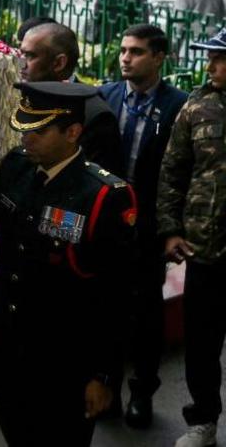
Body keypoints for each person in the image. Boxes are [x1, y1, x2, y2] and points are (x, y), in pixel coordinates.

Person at [0, 81, 137, 447]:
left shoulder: (103, 196)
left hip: (65, 359)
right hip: (12, 347)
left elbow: (116, 295)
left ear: (73, 132)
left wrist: (103, 376)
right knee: (16, 431)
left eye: (40, 131)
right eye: (25, 128)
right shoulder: (18, 167)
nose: (27, 138)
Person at [96, 24, 187, 428]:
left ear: (158, 57)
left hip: (149, 227)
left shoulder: (177, 106)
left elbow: (182, 173)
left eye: (135, 51)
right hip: (107, 225)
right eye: (123, 50)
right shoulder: (107, 96)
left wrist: (171, 228)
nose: (125, 58)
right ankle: (107, 388)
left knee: (147, 315)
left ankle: (142, 392)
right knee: (104, 309)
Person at [157, 27, 226, 447]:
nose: (211, 65)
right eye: (211, 57)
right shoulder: (197, 107)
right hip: (207, 249)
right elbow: (172, 173)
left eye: (220, 58)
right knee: (202, 344)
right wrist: (169, 230)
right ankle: (203, 420)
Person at [18, 21, 125, 176]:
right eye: (22, 54)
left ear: (59, 63)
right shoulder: (27, 97)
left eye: (30, 56)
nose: (22, 64)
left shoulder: (96, 115)